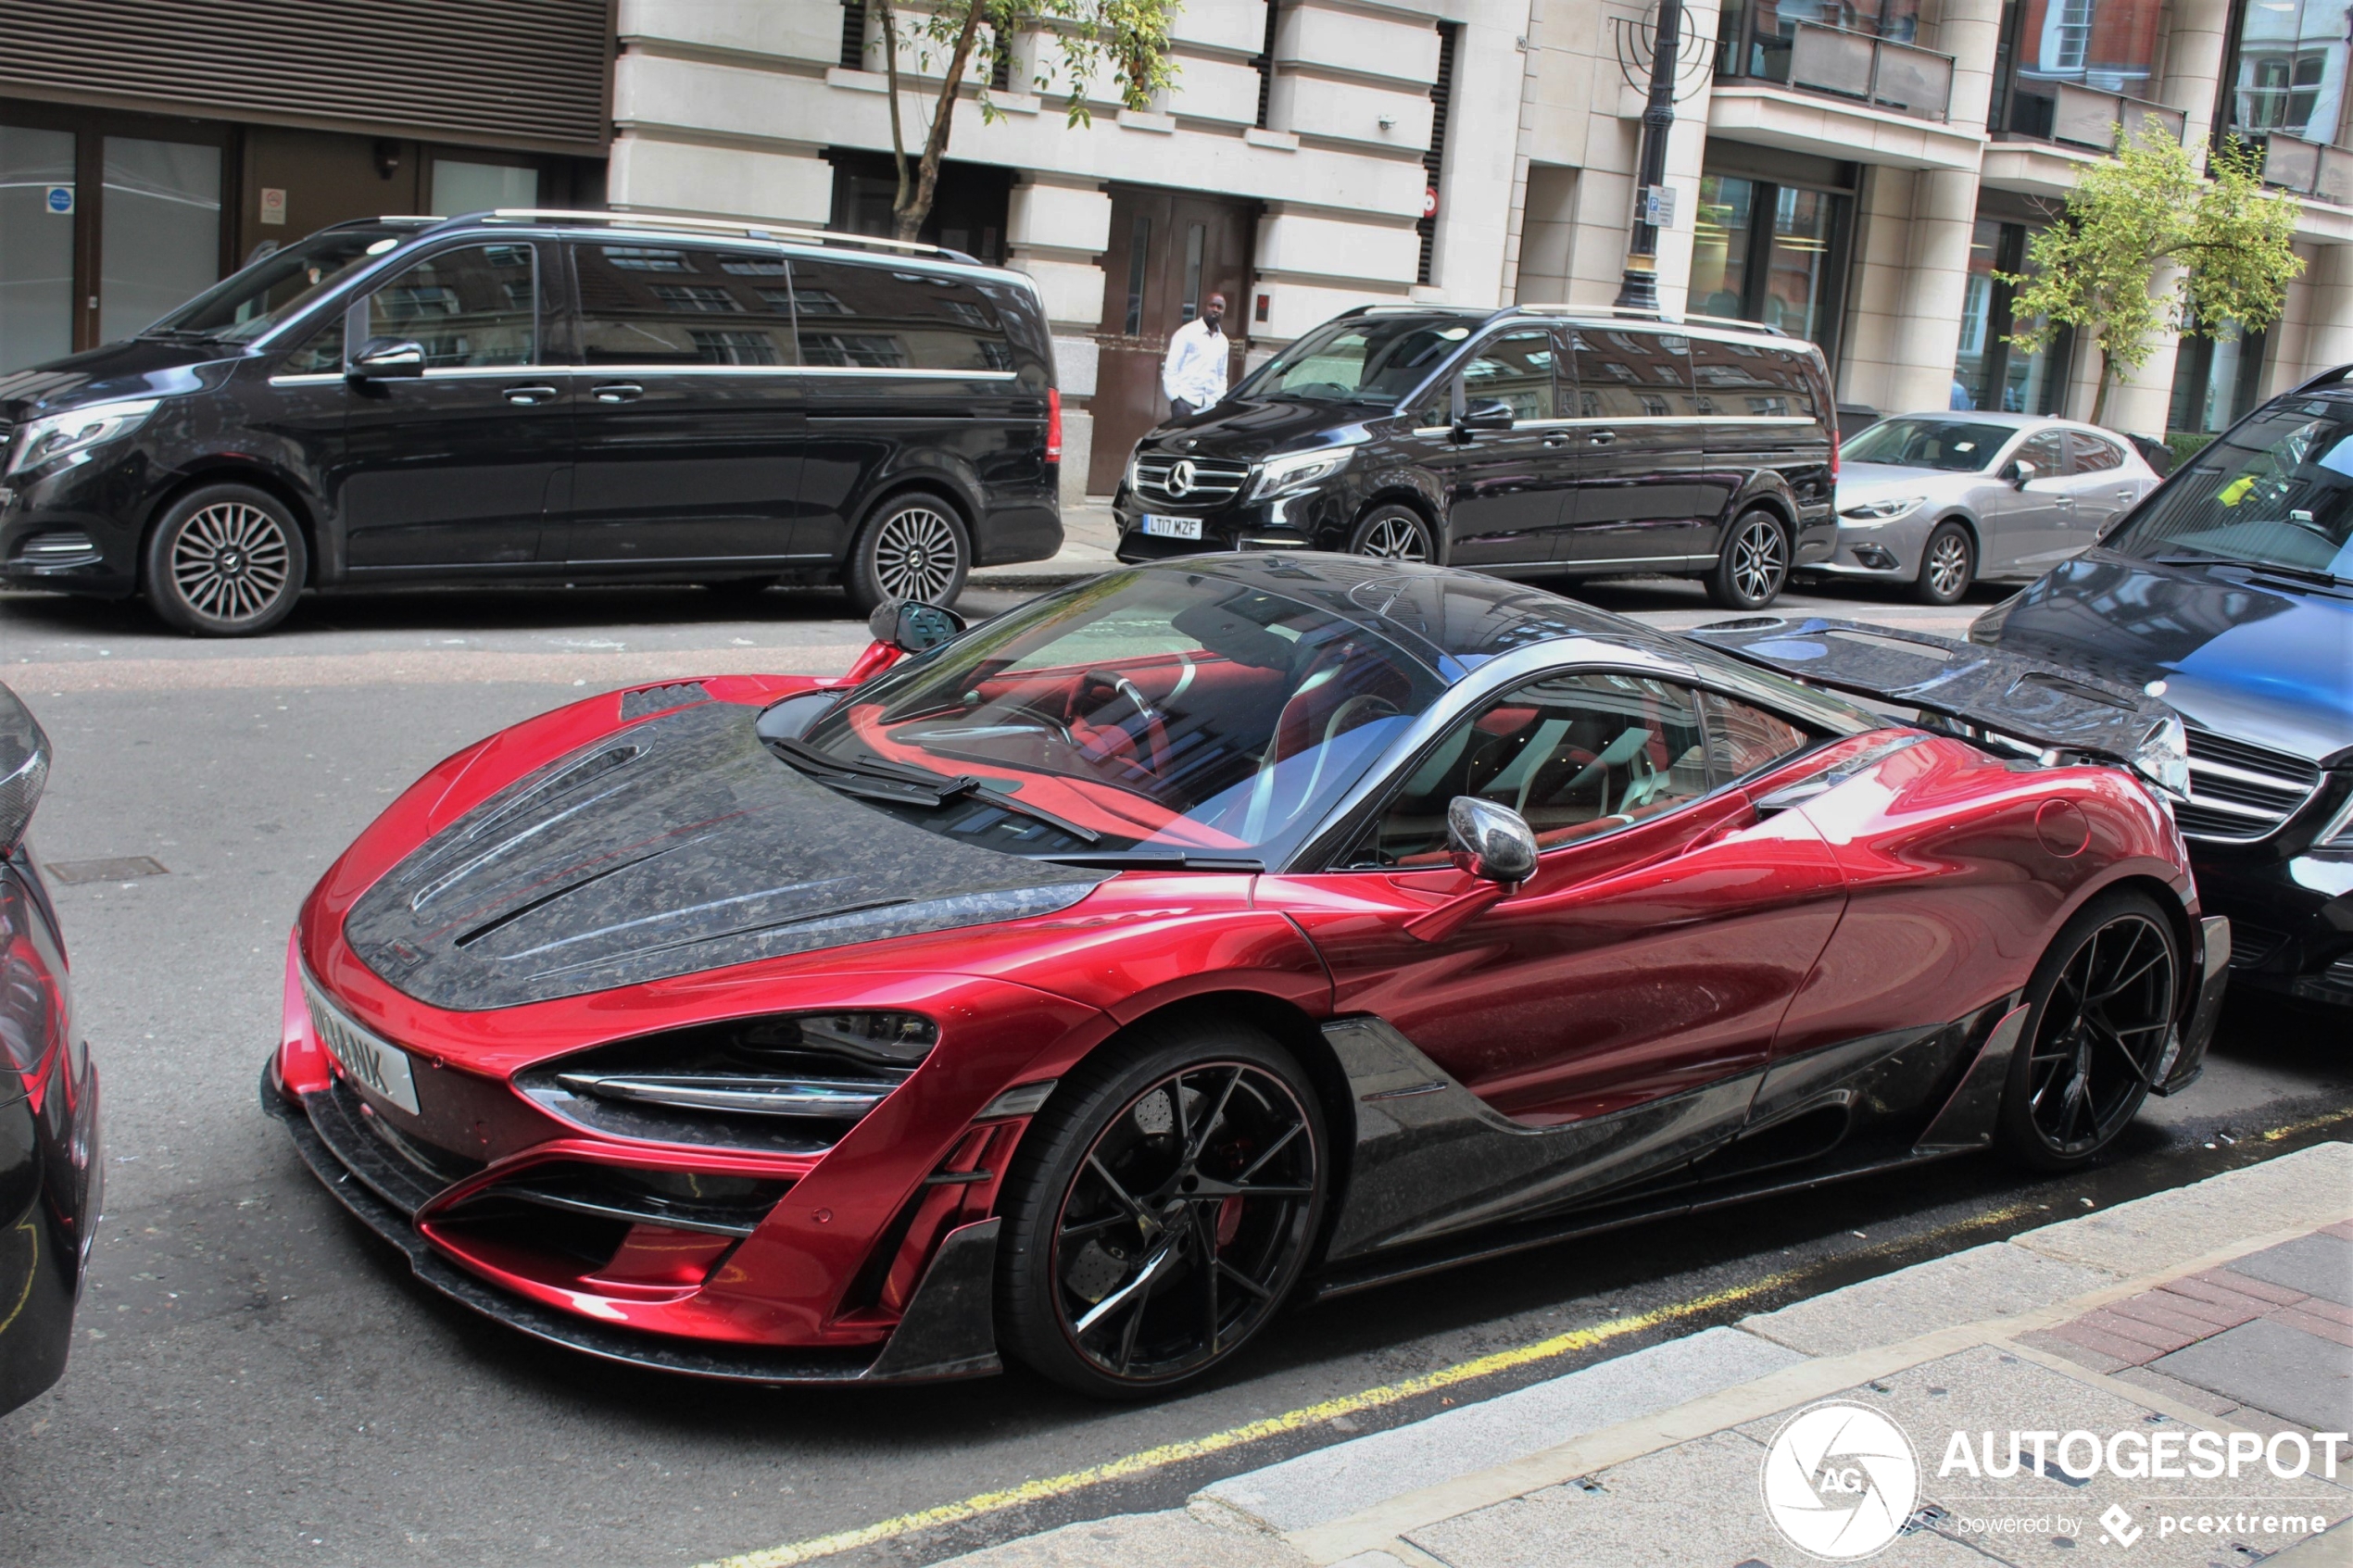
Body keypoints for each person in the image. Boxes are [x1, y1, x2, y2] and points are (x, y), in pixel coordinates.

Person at [1162, 293, 1228, 421]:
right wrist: (1175, 399)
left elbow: (1222, 375)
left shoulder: (1223, 341)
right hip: (1186, 401)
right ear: (1204, 307)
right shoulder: (1187, 333)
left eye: (1220, 307)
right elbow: (1171, 368)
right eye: (1212, 305)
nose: (1215, 309)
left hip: (1210, 405)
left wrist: (1219, 397)